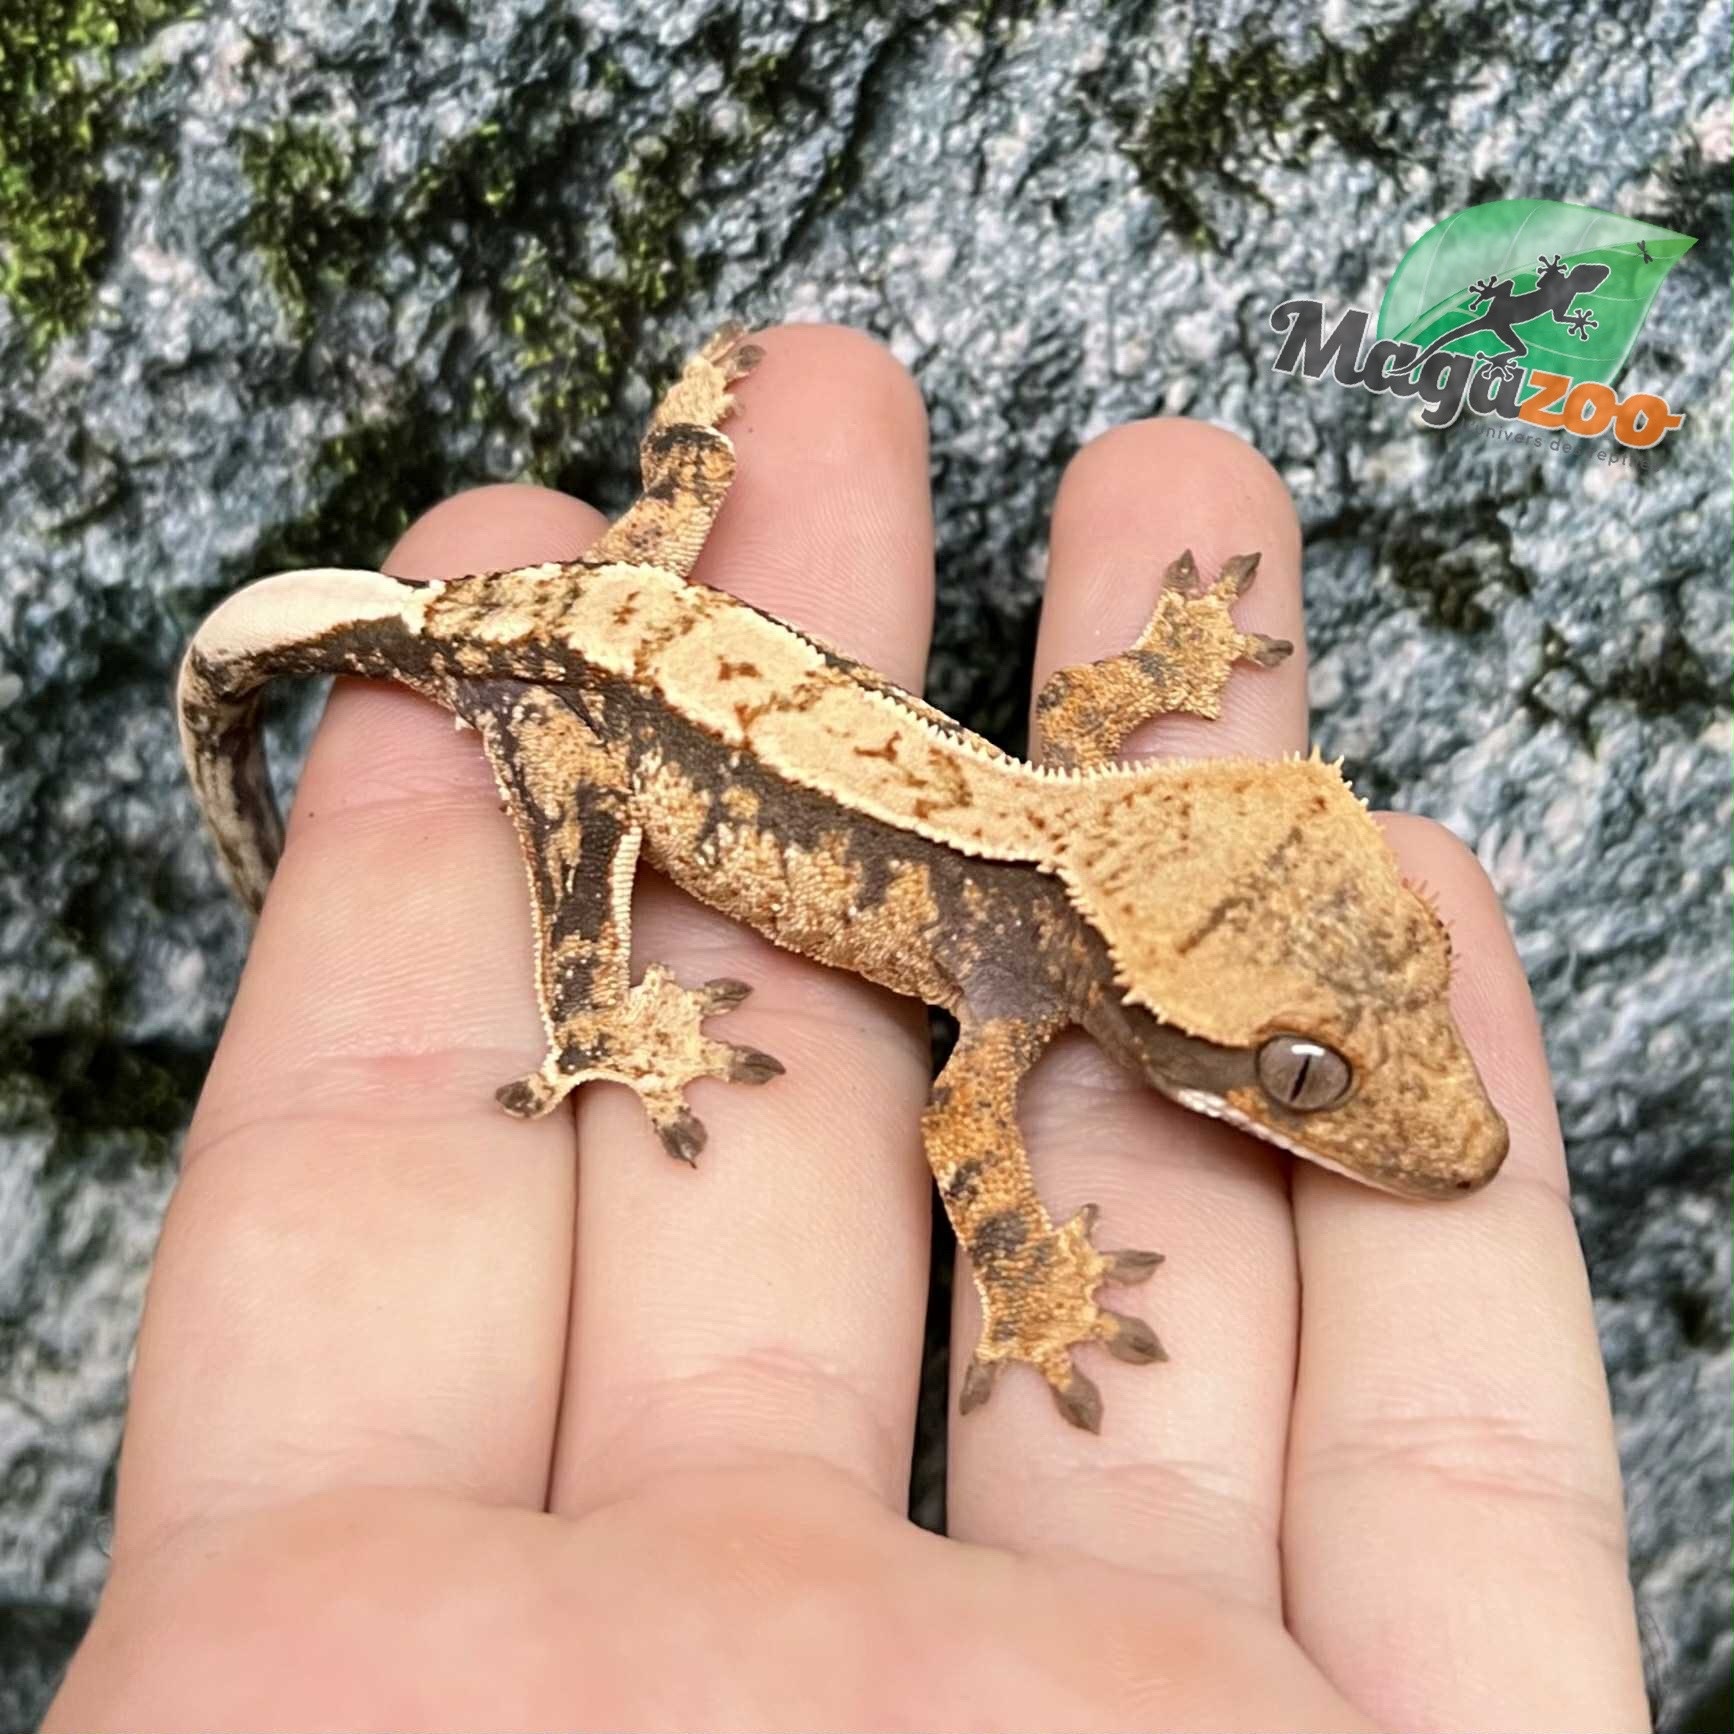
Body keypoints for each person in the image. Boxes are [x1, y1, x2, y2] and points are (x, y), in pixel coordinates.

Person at [46, 326, 1649, 1732]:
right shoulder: (1029, 962)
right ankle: (593, 1014)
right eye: (1302, 1077)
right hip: (566, 683)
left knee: (623, 584)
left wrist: (1157, 671)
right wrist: (1026, 1283)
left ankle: (660, 495)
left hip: (627, 603)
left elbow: (1080, 749)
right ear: (1161, 1018)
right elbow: (957, 1125)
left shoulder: (1068, 846)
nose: (1328, 1097)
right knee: (585, 813)